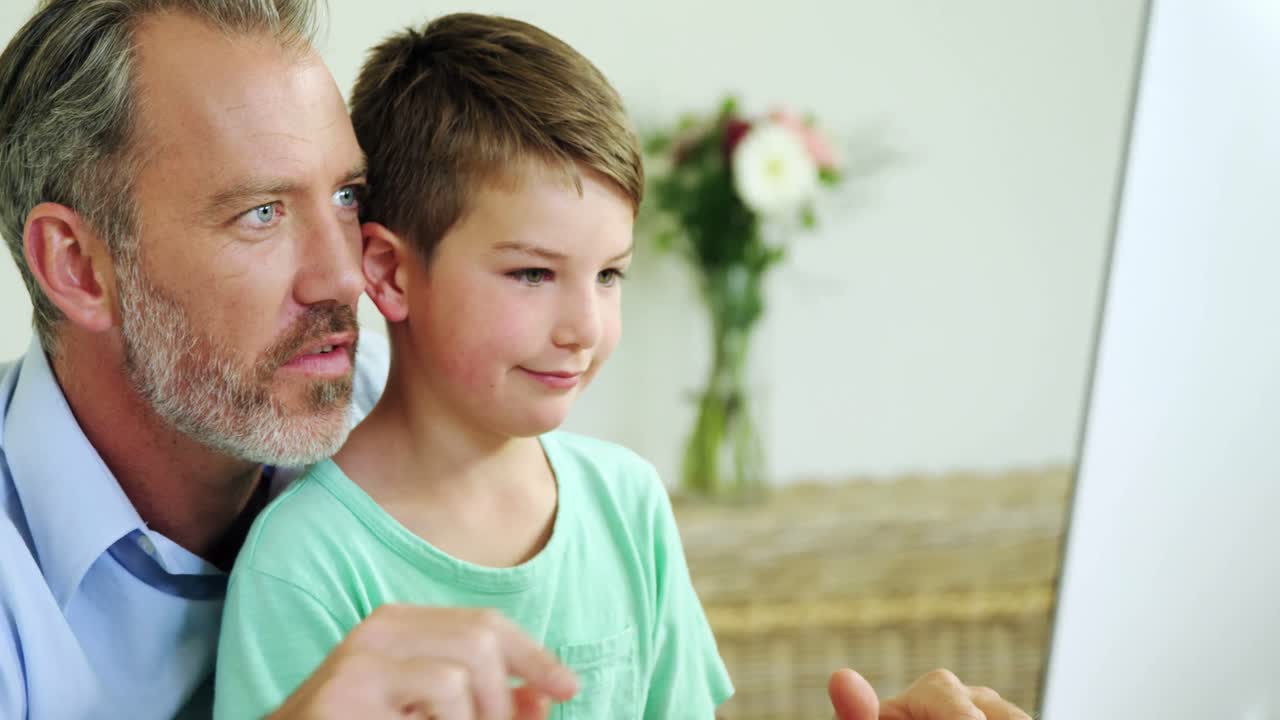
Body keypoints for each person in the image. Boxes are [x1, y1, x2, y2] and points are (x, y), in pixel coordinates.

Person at [0, 2, 1030, 719]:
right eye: (262, 212)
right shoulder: (303, 549)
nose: (344, 275)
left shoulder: (398, 392)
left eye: (349, 198)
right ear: (77, 265)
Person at [214, 13, 732, 718]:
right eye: (531, 274)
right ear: (390, 273)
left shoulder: (628, 504)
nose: (585, 327)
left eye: (610, 275)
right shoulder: (305, 566)